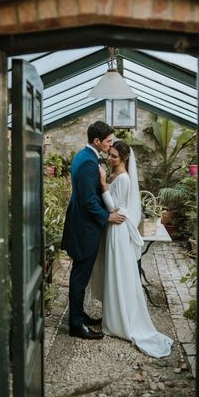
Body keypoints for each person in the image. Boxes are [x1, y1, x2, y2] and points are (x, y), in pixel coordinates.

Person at [90, 140, 173, 358]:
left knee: (117, 272)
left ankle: (121, 321)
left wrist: (103, 184)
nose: (110, 159)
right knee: (112, 272)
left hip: (117, 229)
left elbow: (114, 208)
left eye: (115, 156)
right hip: (112, 228)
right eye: (110, 155)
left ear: (124, 158)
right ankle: (113, 316)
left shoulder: (124, 178)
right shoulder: (116, 175)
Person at [61, 121, 126, 340]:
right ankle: (76, 325)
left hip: (80, 223)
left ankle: (79, 316)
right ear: (96, 141)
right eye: (108, 142)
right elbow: (89, 200)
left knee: (80, 275)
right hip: (84, 228)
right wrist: (107, 216)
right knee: (80, 276)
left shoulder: (83, 155)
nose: (110, 145)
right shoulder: (89, 163)